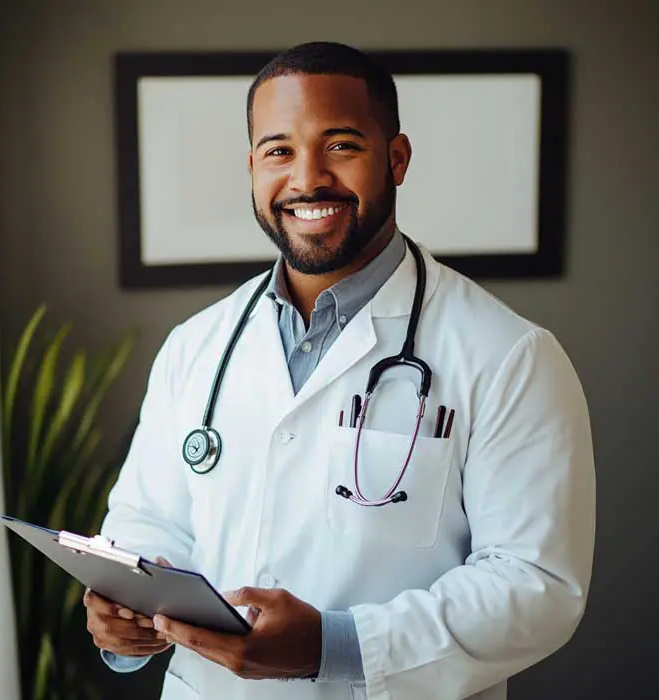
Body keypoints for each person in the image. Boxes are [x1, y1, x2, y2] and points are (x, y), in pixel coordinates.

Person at [84, 41, 596, 700]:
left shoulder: (510, 357)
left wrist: (336, 647)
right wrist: (126, 617)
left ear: (397, 158)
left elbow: (537, 585)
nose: (306, 179)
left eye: (341, 146)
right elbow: (149, 520)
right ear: (250, 166)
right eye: (278, 151)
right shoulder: (196, 346)